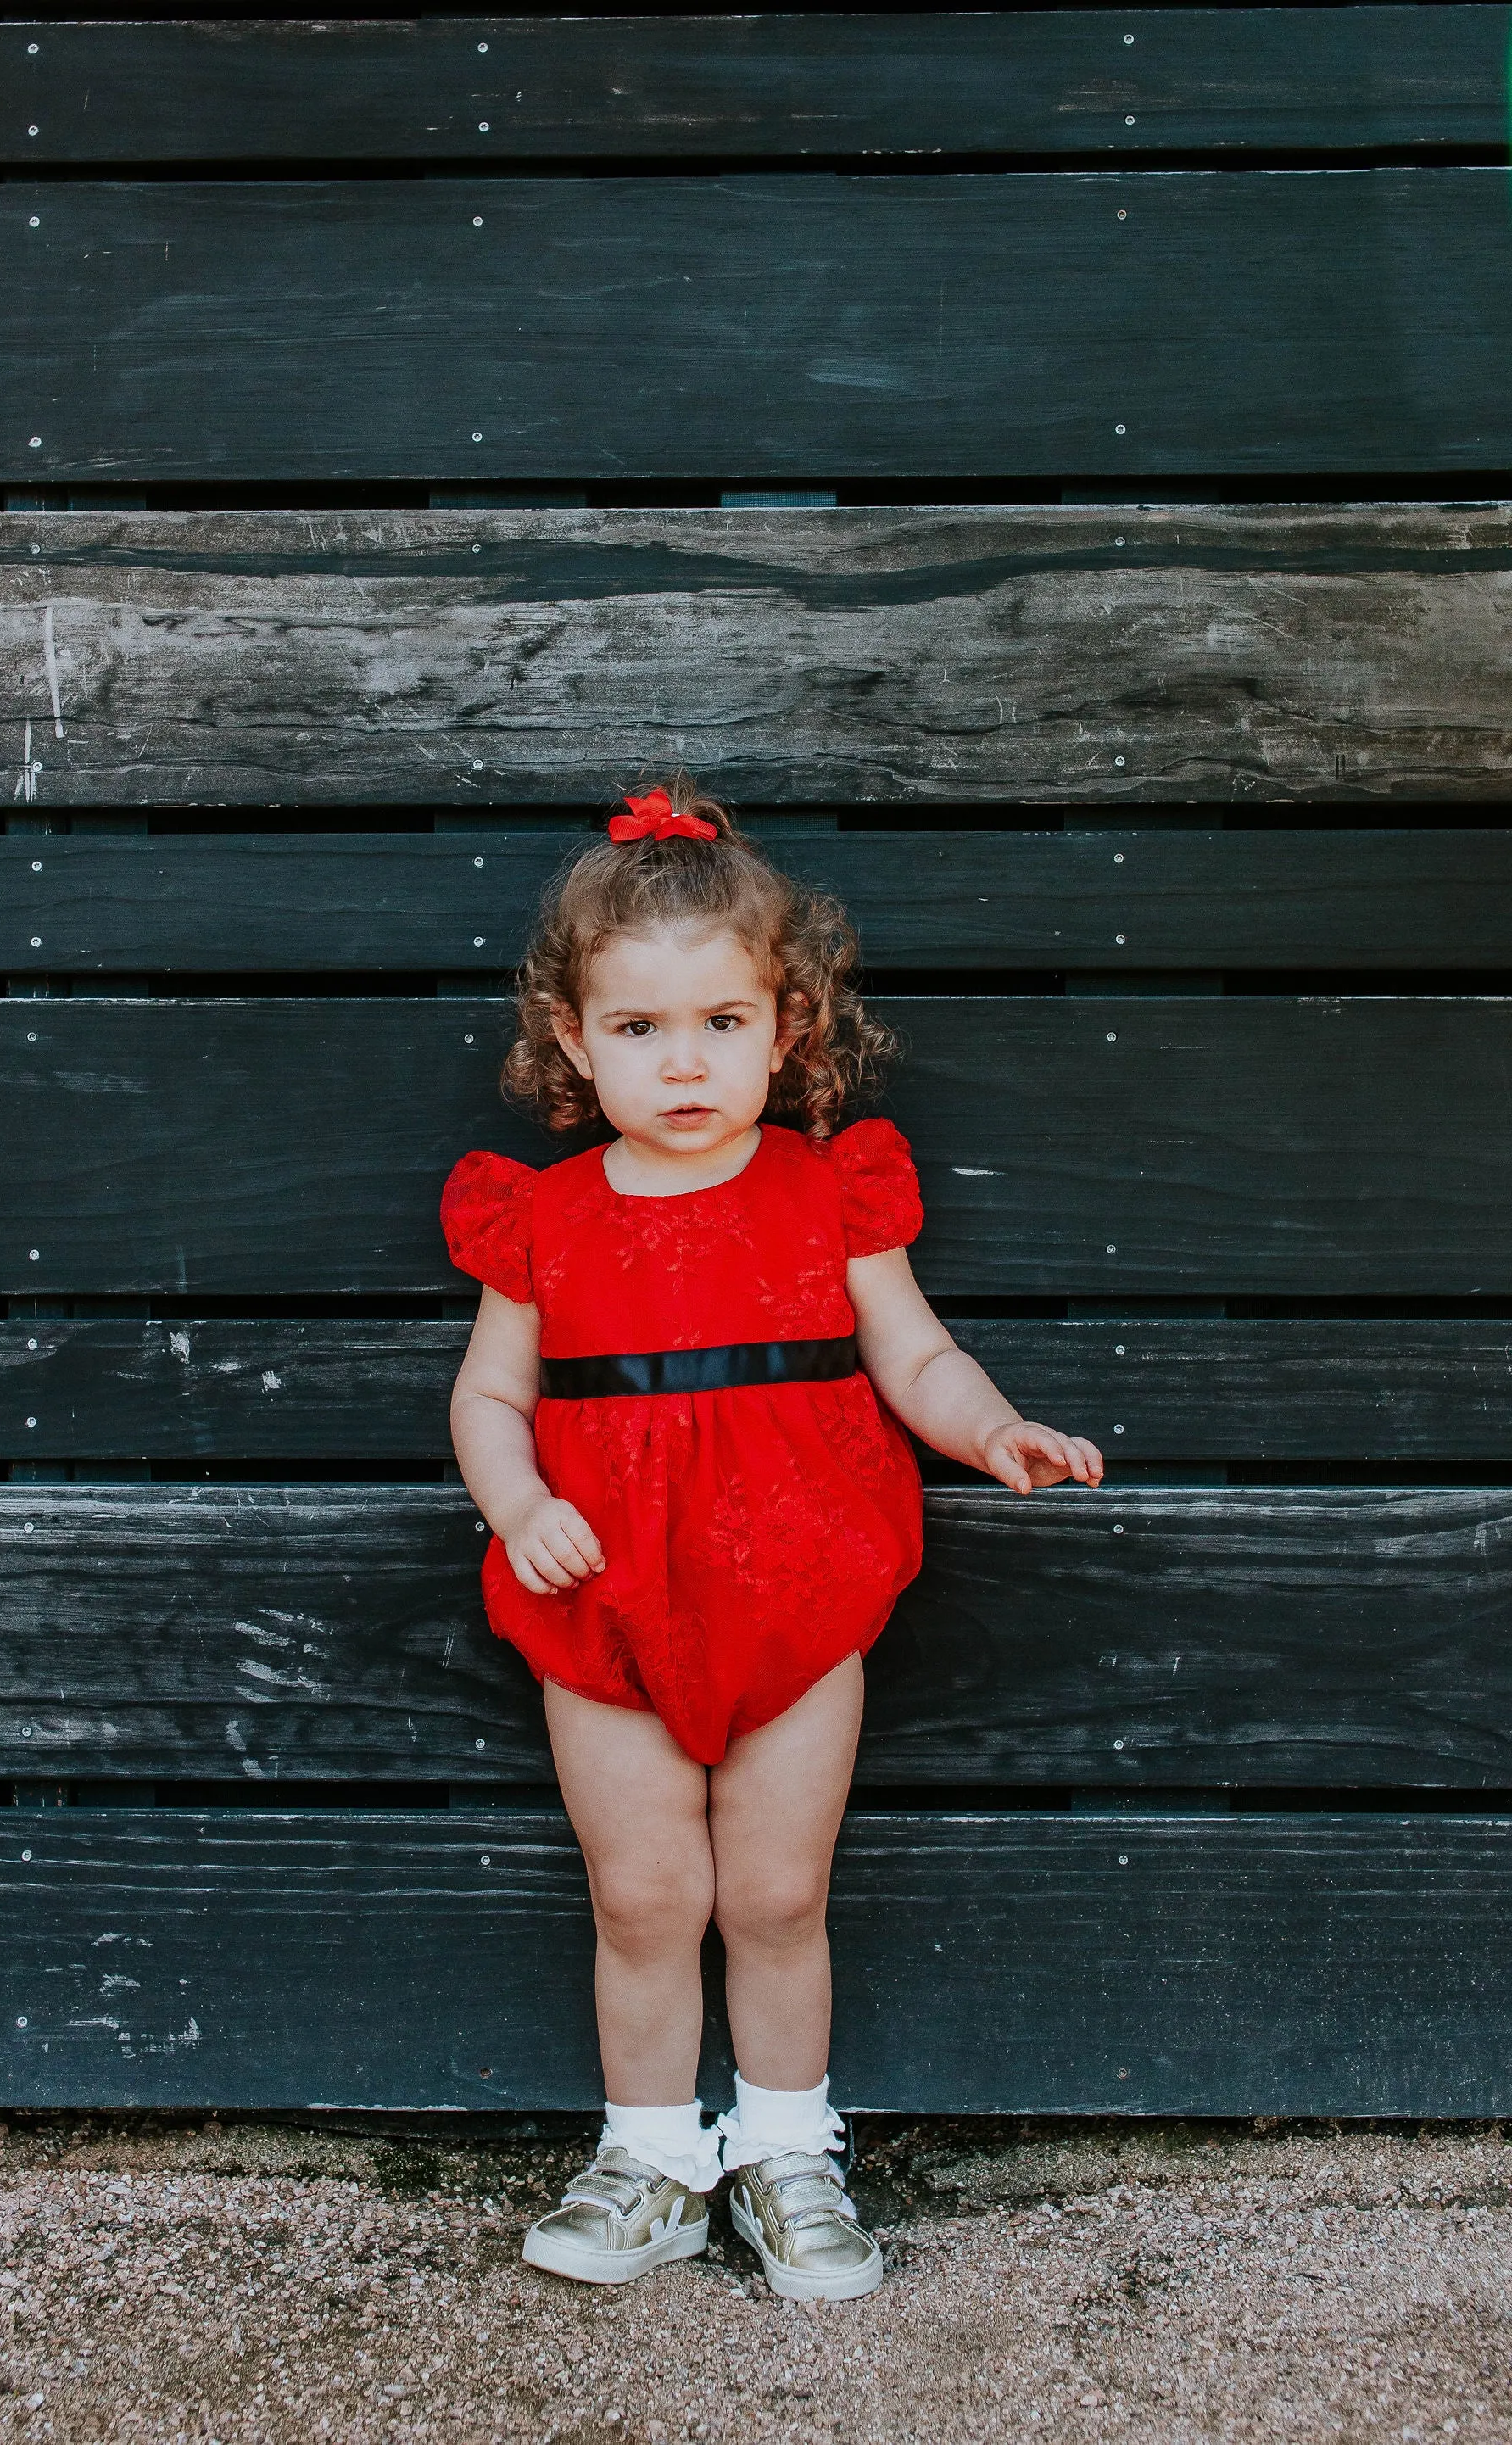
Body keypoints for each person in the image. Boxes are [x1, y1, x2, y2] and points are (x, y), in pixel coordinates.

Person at [443, 777, 1104, 2300]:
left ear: (789, 1025)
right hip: (604, 1596)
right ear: (571, 1037)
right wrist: (522, 1501)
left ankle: (791, 2149)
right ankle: (654, 2157)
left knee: (776, 1892)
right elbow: (489, 1396)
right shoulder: (541, 1218)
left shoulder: (830, 1193)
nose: (684, 1063)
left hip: (802, 1587)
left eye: (723, 1024)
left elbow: (918, 1362)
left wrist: (990, 1425)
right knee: (647, 1894)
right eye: (639, 1029)